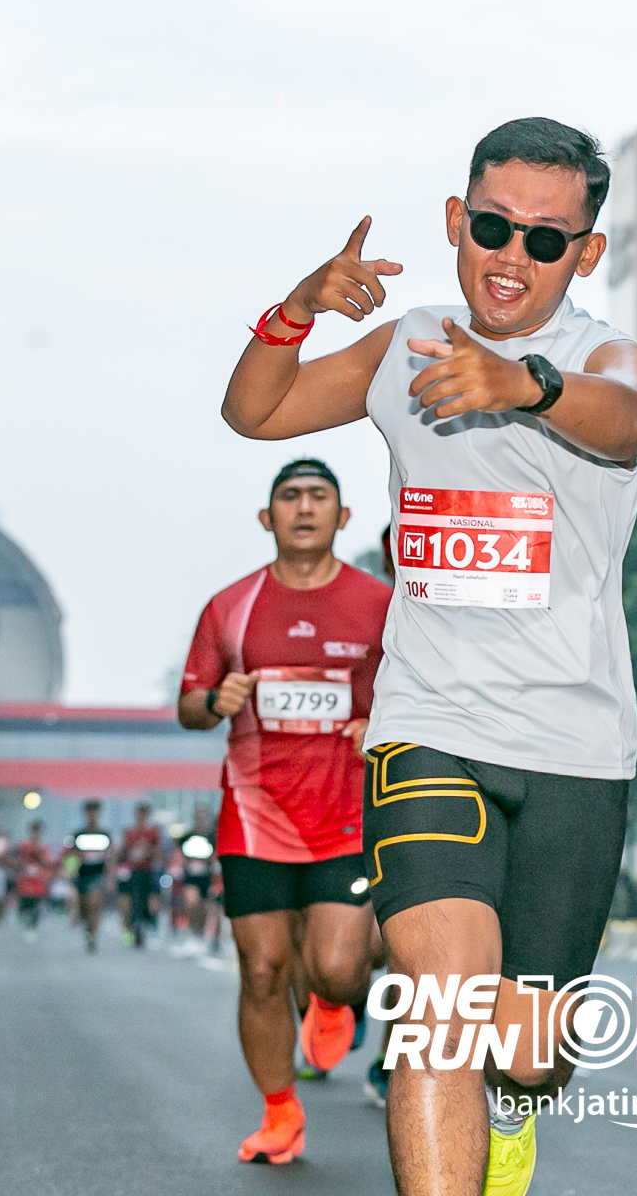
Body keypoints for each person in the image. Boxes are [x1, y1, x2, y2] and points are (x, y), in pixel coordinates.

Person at [220, 118, 637, 1196]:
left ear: (586, 253)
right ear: (458, 222)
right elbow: (255, 409)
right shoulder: (407, 345)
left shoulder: (604, 359)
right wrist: (294, 310)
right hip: (430, 725)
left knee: (530, 1053)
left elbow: (632, 421)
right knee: (440, 1006)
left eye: (546, 240)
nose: (513, 256)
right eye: (495, 227)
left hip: (575, 744)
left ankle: (513, 1113)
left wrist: (526, 386)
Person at [177, 457, 391, 1166]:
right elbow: (189, 707)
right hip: (255, 816)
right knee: (263, 970)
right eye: (290, 497)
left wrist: (379, 725)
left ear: (342, 516)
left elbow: (418, 696)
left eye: (318, 496)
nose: (304, 508)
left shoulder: (380, 604)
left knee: (338, 969)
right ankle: (279, 1114)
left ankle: (330, 1001)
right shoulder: (230, 607)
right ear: (267, 518)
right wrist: (216, 701)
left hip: (348, 815)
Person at [68, 801, 113, 952]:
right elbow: (71, 853)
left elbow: (110, 854)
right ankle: (87, 929)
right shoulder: (78, 834)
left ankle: (93, 933)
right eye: (90, 812)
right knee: (84, 907)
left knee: (94, 905)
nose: (92, 815)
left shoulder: (104, 834)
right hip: (82, 874)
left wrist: (110, 875)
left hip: (97, 875)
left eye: (95, 812)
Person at [119, 803, 164, 948]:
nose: (141, 817)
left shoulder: (153, 833)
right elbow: (123, 852)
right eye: (139, 814)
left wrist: (147, 849)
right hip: (132, 872)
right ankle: (131, 927)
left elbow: (158, 852)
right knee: (130, 900)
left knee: (152, 897)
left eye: (143, 814)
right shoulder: (129, 833)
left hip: (148, 871)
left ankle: (150, 922)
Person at [177, 806, 220, 948]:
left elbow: (216, 856)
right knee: (191, 902)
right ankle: (193, 932)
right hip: (191, 877)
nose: (199, 820)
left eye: (202, 817)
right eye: (197, 817)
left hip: (206, 878)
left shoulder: (212, 837)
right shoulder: (186, 837)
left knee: (204, 908)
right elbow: (179, 855)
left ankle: (201, 935)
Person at [15, 820, 54, 940]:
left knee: (36, 903)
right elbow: (19, 860)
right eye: (33, 831)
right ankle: (24, 916)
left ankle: (33, 926)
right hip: (25, 878)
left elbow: (46, 862)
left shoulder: (44, 847)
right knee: (25, 902)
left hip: (38, 878)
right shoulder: (23, 846)